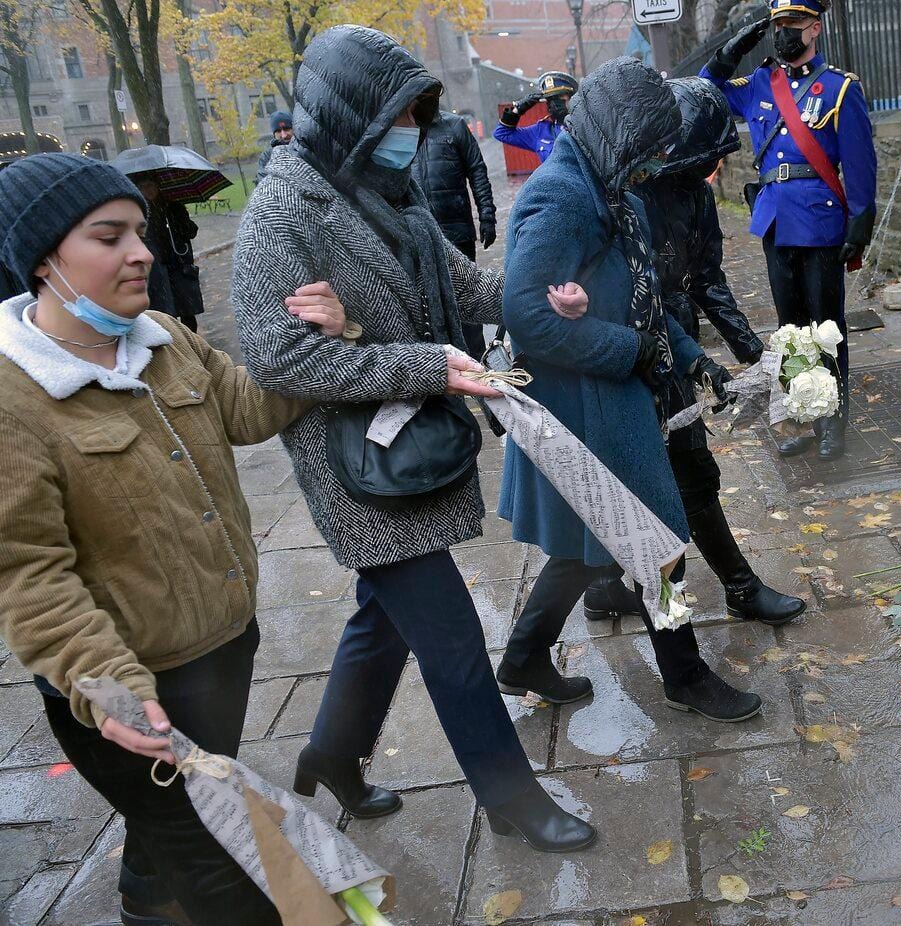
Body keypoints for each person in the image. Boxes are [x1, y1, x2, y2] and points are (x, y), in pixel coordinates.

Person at [232, 25, 595, 853]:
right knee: (450, 633)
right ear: (349, 114)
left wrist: (543, 300)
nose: (413, 133)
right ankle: (511, 796)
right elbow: (281, 356)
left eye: (420, 116)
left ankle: (330, 755)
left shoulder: (386, 195)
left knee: (382, 620)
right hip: (353, 463)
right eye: (400, 116)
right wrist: (426, 364)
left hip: (409, 445)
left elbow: (467, 285)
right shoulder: (283, 215)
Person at [0, 153, 319, 925]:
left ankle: (146, 905)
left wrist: (309, 339)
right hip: (131, 697)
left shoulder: (164, 336)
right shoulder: (14, 399)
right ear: (45, 261)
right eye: (109, 236)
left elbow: (245, 410)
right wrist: (110, 692)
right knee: (225, 874)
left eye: (139, 233)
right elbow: (28, 577)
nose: (141, 251)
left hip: (224, 649)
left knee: (168, 838)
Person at [495, 56, 763, 724]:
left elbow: (646, 297)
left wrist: (695, 357)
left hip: (615, 397)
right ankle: (685, 673)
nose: (661, 160)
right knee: (657, 544)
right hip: (589, 404)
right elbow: (525, 313)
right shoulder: (562, 196)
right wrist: (629, 351)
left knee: (593, 546)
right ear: (620, 134)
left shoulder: (615, 190)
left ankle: (525, 654)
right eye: (652, 146)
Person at [583, 76, 807, 628]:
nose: (711, 172)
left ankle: (714, 591)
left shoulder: (699, 198)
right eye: (704, 159)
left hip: (675, 344)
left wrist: (756, 353)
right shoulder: (628, 195)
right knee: (651, 481)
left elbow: (708, 280)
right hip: (635, 352)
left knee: (690, 472)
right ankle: (687, 599)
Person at [701, 0, 876, 461]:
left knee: (827, 329)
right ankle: (802, 416)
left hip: (820, 222)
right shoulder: (761, 82)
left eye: (792, 24)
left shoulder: (838, 88)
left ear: (814, 28)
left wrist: (860, 222)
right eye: (777, 25)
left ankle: (833, 421)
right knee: (790, 331)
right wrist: (733, 46)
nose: (783, 33)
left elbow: (859, 162)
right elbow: (706, 88)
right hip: (776, 220)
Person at [413, 109, 498, 357]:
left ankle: (478, 360)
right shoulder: (402, 129)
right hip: (420, 233)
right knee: (427, 302)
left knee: (468, 296)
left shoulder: (455, 126)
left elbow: (477, 172)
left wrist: (487, 216)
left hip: (456, 230)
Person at [134, 176, 204, 333]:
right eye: (143, 186)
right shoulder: (138, 214)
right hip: (156, 269)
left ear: (158, 186)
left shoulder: (173, 207)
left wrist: (178, 222)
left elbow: (191, 231)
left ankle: (191, 343)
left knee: (187, 310)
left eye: (151, 184)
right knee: (164, 313)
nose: (148, 190)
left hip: (179, 265)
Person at [493, 70, 578, 164]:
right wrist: (518, 109)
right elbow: (502, 134)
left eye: (559, 97)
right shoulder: (541, 131)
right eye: (550, 99)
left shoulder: (585, 124)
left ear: (572, 98)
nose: (554, 103)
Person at [256, 110, 293, 183]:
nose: (283, 135)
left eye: (286, 129)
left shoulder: (306, 149)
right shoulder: (267, 156)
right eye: (278, 131)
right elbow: (262, 181)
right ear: (274, 134)